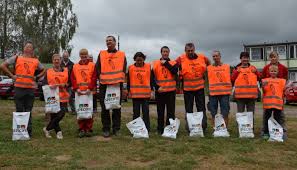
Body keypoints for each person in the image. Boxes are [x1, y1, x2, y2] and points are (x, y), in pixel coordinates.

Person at [0, 41, 45, 137]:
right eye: (27, 46)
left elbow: (44, 70)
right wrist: (12, 76)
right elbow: (2, 65)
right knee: (19, 109)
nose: (28, 48)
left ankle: (28, 131)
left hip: (30, 89)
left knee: (28, 110)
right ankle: (19, 131)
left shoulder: (35, 60)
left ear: (32, 50)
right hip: (19, 88)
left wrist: (37, 77)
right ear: (23, 48)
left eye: (30, 47)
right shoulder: (17, 58)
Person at [96, 35, 127, 137]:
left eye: (110, 40)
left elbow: (123, 68)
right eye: (107, 41)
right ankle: (106, 129)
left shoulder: (121, 54)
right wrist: (102, 78)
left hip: (116, 84)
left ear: (115, 42)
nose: (108, 42)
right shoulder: (101, 54)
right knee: (104, 108)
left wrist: (118, 81)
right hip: (104, 85)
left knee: (116, 107)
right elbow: (98, 68)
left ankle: (116, 129)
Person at [177, 42, 210, 132]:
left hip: (199, 88)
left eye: (192, 50)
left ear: (194, 50)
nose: (190, 52)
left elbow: (209, 63)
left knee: (201, 108)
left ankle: (203, 126)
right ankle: (189, 127)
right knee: (189, 109)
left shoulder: (202, 57)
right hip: (187, 89)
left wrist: (204, 74)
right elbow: (174, 66)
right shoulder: (181, 58)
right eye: (188, 51)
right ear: (185, 51)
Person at [42, 54, 70, 139]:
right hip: (53, 96)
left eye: (58, 59)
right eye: (55, 60)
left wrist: (65, 85)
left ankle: (47, 128)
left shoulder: (65, 70)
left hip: (63, 96)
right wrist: (50, 86)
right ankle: (58, 132)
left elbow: (70, 82)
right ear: (52, 61)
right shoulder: (48, 71)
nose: (57, 61)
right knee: (54, 115)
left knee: (61, 113)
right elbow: (44, 83)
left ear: (61, 60)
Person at [152, 46, 178, 134]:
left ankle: (170, 128)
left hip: (171, 91)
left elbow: (175, 71)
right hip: (160, 91)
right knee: (160, 111)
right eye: (164, 51)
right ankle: (160, 129)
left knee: (171, 111)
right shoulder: (155, 63)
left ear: (169, 53)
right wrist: (156, 87)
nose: (165, 53)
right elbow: (151, 78)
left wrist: (166, 63)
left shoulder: (173, 63)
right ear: (161, 53)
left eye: (167, 51)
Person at [71, 48, 97, 138]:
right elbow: (73, 78)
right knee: (80, 110)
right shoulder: (75, 66)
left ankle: (89, 128)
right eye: (82, 55)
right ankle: (82, 128)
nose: (83, 57)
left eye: (85, 55)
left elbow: (94, 77)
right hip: (79, 92)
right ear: (80, 56)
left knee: (89, 110)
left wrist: (90, 88)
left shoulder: (92, 65)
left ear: (87, 55)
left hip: (88, 92)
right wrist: (76, 88)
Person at [127, 52, 153, 131]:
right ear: (135, 60)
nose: (139, 62)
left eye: (141, 60)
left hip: (145, 95)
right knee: (136, 113)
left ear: (143, 59)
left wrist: (152, 90)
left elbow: (151, 80)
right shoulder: (130, 68)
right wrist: (128, 91)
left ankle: (146, 129)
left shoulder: (148, 67)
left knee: (146, 113)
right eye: (137, 60)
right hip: (135, 95)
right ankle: (136, 128)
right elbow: (128, 80)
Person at [231, 52, 261, 119]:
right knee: (240, 115)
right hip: (240, 97)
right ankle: (241, 129)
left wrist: (256, 72)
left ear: (249, 59)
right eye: (243, 58)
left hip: (251, 97)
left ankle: (250, 129)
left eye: (247, 58)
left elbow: (259, 78)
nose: (245, 59)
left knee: (250, 115)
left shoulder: (253, 68)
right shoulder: (237, 69)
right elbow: (232, 79)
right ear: (240, 59)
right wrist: (236, 72)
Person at [207, 50, 232, 127]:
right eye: (213, 56)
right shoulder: (209, 68)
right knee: (213, 112)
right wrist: (207, 91)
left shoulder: (227, 67)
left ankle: (225, 128)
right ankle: (216, 129)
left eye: (216, 56)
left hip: (224, 93)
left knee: (225, 112)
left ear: (220, 56)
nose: (215, 57)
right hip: (213, 93)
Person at [261, 65, 287, 140]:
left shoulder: (282, 81)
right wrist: (263, 86)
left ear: (277, 72)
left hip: (278, 104)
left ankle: (278, 133)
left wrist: (283, 100)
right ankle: (266, 133)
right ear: (269, 72)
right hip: (268, 104)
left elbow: (283, 92)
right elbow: (264, 91)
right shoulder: (265, 80)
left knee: (278, 119)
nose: (273, 72)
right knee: (266, 119)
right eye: (271, 71)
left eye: (275, 71)